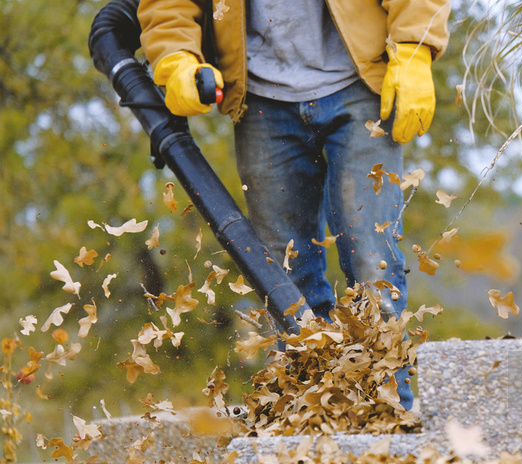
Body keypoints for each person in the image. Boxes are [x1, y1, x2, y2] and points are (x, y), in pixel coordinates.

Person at [138, 0, 450, 410]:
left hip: (360, 82)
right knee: (284, 278)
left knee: (374, 265)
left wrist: (414, 44)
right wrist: (176, 56)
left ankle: (390, 413)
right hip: (261, 100)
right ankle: (309, 419)